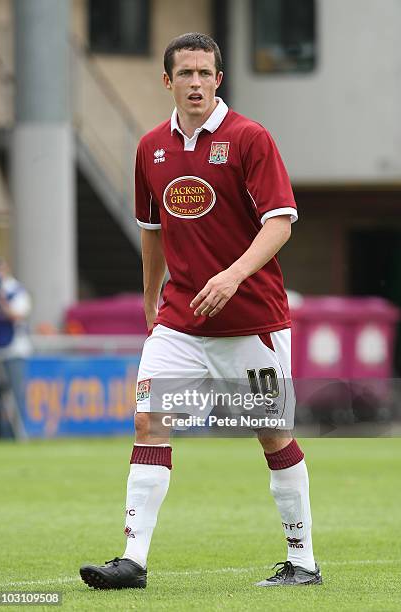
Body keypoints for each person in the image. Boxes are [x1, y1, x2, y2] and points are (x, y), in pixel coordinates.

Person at [80, 32, 321, 589]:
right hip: (180, 323)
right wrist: (150, 302)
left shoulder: (249, 138)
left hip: (251, 323)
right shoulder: (149, 148)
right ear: (167, 81)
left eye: (204, 73)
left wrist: (234, 275)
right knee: (148, 422)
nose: (195, 83)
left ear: (219, 79)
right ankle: (132, 561)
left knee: (273, 435)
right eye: (184, 73)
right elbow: (153, 232)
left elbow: (279, 222)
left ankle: (303, 560)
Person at [0, 257, 32, 437]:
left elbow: (18, 315)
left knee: (16, 396)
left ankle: (20, 435)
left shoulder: (14, 290)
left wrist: (0, 298)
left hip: (14, 350)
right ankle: (2, 435)